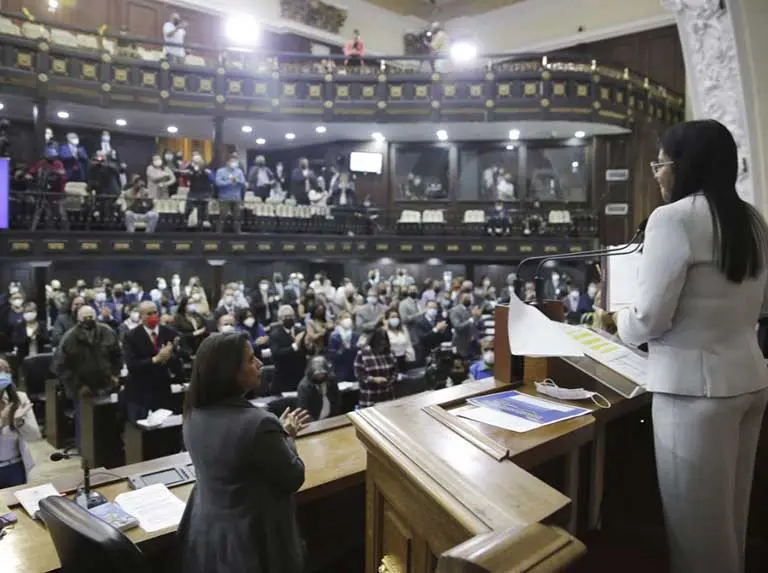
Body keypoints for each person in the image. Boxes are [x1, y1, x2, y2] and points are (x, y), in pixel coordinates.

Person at [609, 120, 768, 573]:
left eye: (660, 164)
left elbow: (649, 318)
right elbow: (763, 304)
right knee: (730, 524)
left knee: (697, 538)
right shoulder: (753, 219)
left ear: (684, 166)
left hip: (693, 395)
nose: (657, 175)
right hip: (749, 381)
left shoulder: (673, 218)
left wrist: (618, 319)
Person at [178, 333, 310, 573]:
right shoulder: (259, 423)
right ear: (230, 372)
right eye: (250, 359)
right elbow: (294, 476)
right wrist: (286, 435)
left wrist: (276, 435)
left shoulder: (191, 414)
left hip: (205, 537)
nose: (259, 364)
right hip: (251, 547)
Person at [53, 306, 122, 448]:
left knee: (107, 419)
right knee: (84, 421)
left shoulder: (107, 332)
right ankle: (84, 451)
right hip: (82, 387)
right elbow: (61, 366)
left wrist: (115, 373)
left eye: (91, 316)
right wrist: (78, 385)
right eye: (85, 317)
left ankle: (107, 449)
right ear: (78, 319)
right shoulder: (69, 338)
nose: (89, 320)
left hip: (105, 383)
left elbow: (117, 355)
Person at [0, 357, 41, 488]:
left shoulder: (20, 399)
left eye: (6, 371)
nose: (3, 375)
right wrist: (3, 421)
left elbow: (35, 436)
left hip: (15, 466)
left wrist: (20, 422)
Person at [354, 327, 397, 408]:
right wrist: (373, 379)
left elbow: (395, 371)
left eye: (385, 340)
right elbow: (359, 374)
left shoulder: (390, 353)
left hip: (388, 395)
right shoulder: (363, 354)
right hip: (369, 397)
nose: (383, 343)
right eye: (381, 341)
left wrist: (390, 381)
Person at [269, 305, 307, 394]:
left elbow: (307, 350)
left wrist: (310, 346)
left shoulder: (301, 331)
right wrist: (294, 346)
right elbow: (277, 353)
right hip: (284, 378)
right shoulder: (275, 335)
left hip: (301, 375)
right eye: (285, 316)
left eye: (291, 316)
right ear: (280, 319)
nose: (289, 318)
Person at [297, 356, 340, 421]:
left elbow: (337, 401)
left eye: (322, 373)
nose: (320, 376)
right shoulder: (304, 387)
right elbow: (303, 412)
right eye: (317, 374)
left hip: (332, 419)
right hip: (314, 422)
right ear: (311, 372)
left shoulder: (331, 380)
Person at [215, 154, 246, 233]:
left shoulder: (239, 171)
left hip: (236, 197)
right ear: (227, 162)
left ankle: (238, 232)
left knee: (237, 216)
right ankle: (218, 232)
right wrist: (229, 181)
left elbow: (243, 183)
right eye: (232, 161)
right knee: (223, 216)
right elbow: (218, 183)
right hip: (224, 198)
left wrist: (237, 180)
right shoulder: (220, 171)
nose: (234, 163)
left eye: (235, 161)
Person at [328, 312, 359, 383]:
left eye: (349, 318)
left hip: (353, 368)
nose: (348, 320)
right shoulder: (334, 336)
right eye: (345, 317)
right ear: (339, 321)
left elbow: (358, 351)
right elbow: (332, 356)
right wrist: (342, 349)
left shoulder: (356, 335)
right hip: (340, 369)